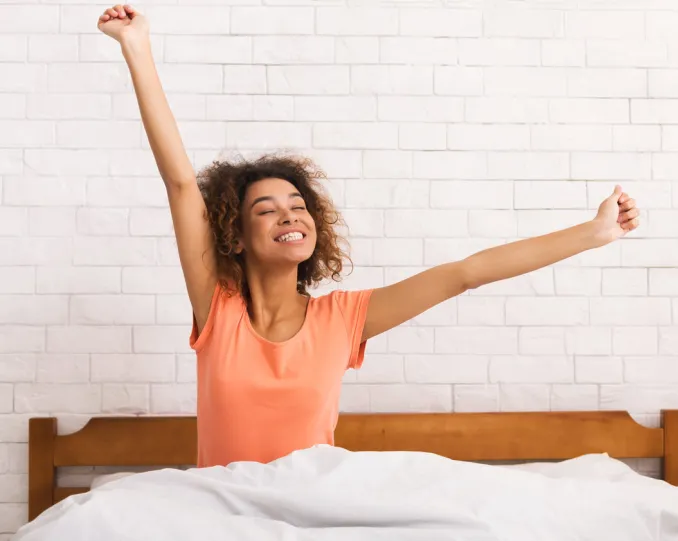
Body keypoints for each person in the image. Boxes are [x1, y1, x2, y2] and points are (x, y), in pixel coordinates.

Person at [97, 4, 640, 469]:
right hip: (226, 515)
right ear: (235, 236)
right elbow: (180, 184)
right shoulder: (218, 309)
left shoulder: (341, 319)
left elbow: (465, 274)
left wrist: (593, 232)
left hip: (312, 511)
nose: (290, 216)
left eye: (298, 206)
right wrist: (136, 48)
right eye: (267, 210)